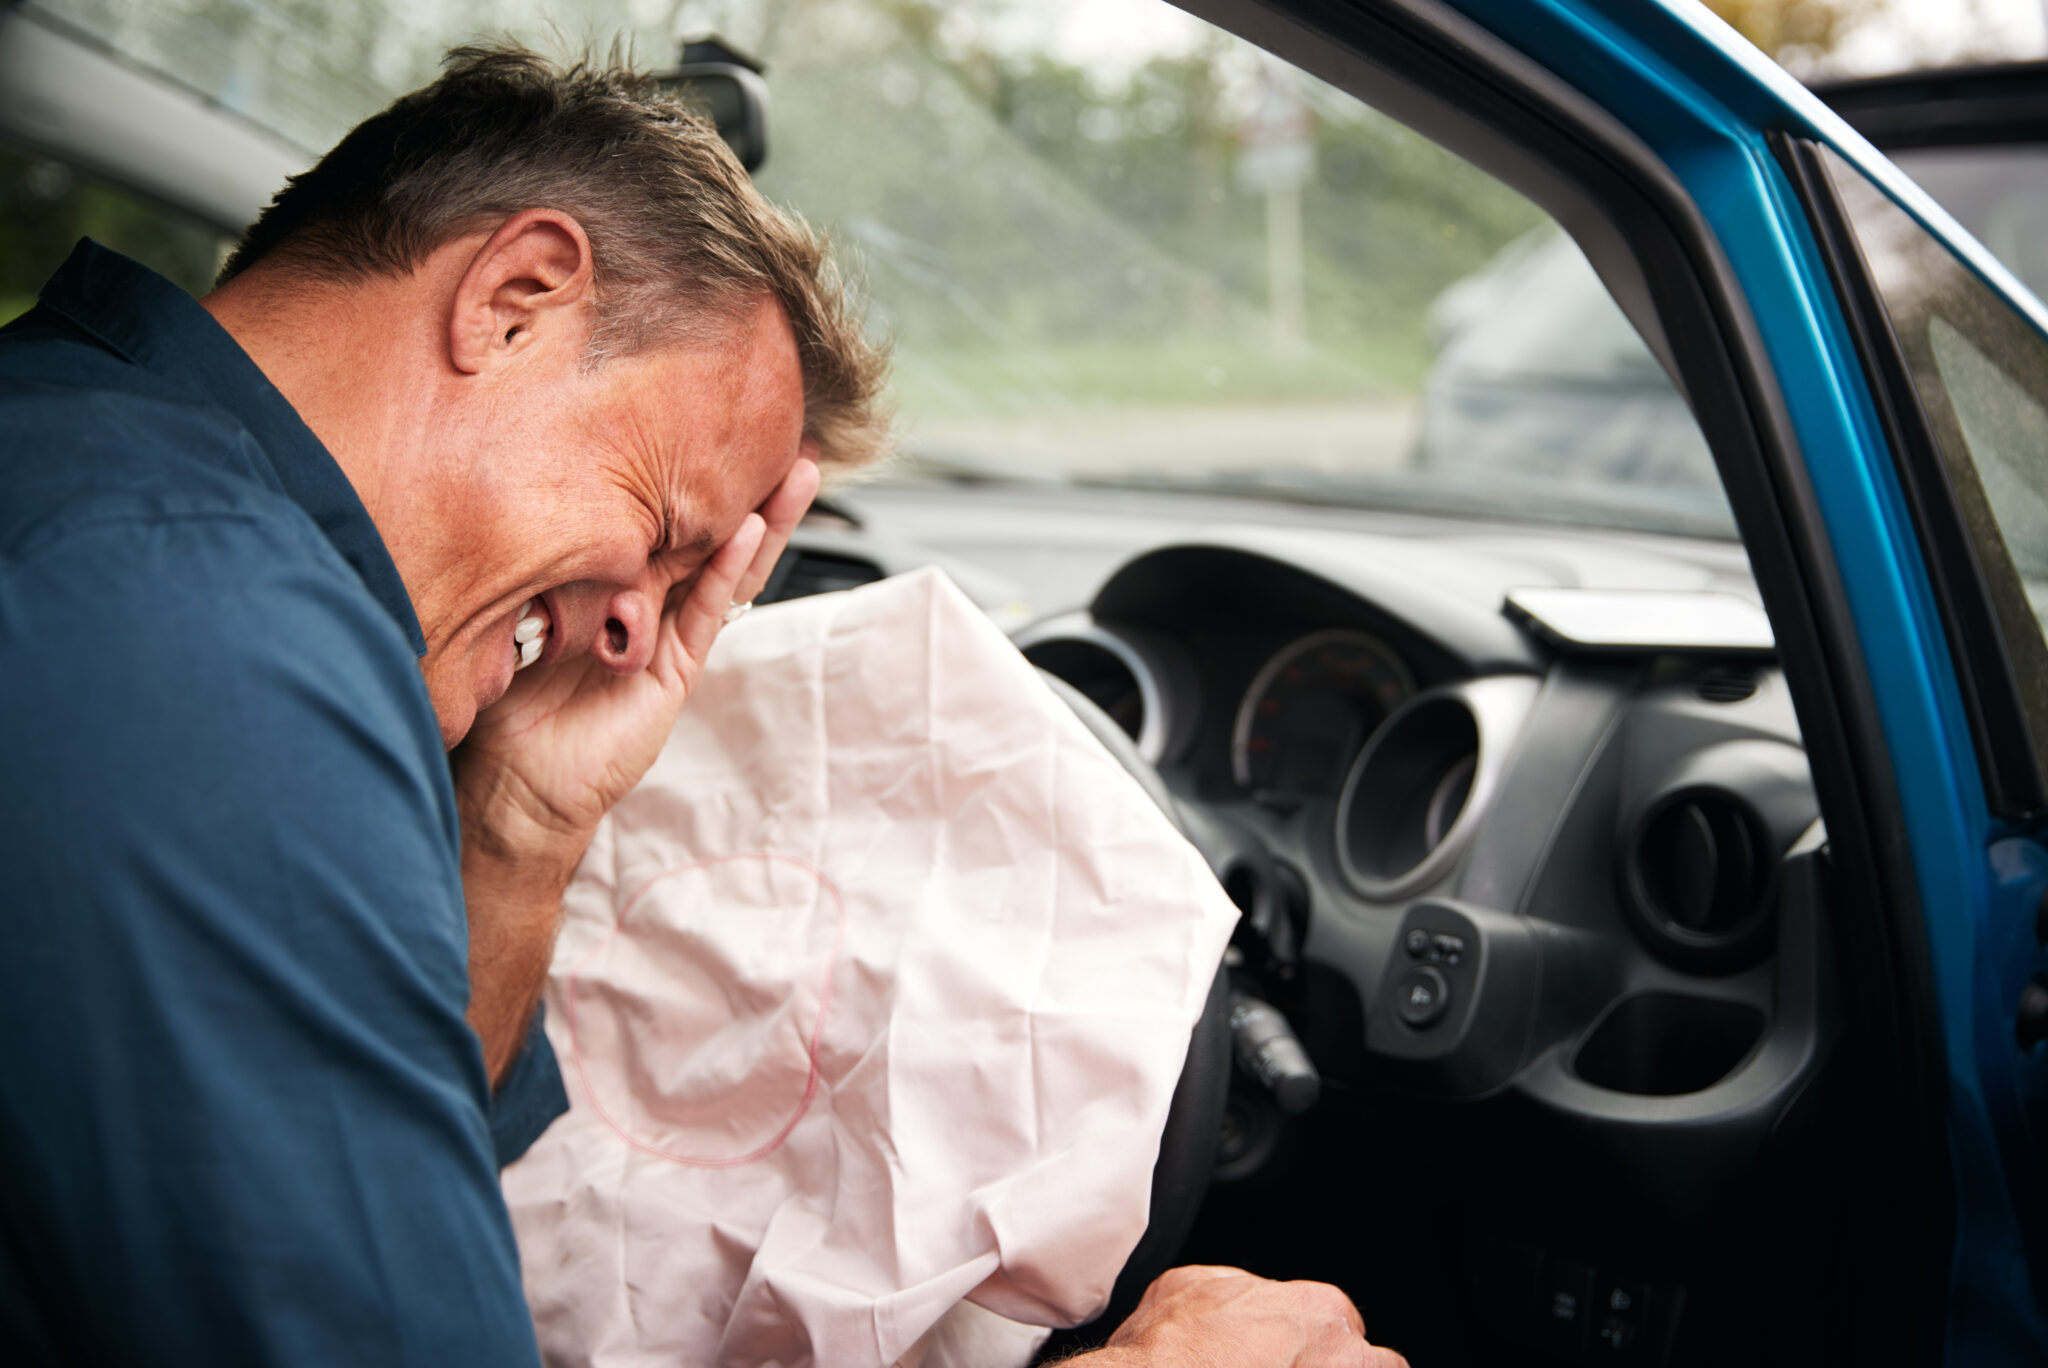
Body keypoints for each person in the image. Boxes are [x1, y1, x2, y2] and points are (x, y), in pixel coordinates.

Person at [0, 45, 1403, 1368]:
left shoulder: (88, 469)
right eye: (669, 532)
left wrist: (526, 825)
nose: (636, 628)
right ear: (518, 297)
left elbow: (385, 1190)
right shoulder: (210, 635)